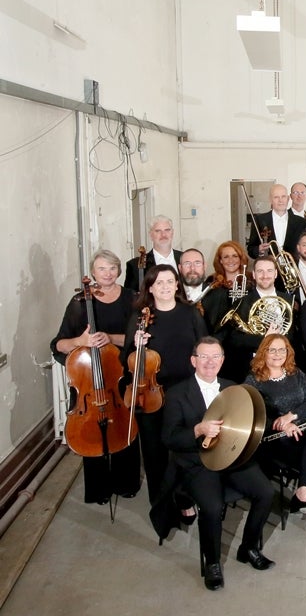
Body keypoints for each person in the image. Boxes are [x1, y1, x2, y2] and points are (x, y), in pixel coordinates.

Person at [161, 337, 275, 590]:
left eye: (216, 357)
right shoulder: (176, 393)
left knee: (266, 493)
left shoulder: (232, 387)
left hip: (232, 460)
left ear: (223, 361)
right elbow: (169, 438)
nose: (210, 362)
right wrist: (198, 429)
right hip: (198, 463)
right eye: (204, 357)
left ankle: (248, 548)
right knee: (212, 507)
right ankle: (212, 562)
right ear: (193, 361)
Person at [50, 249, 142, 503]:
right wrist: (80, 341)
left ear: (119, 271)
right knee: (92, 432)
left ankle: (127, 483)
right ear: (93, 273)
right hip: (89, 380)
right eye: (102, 269)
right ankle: (99, 489)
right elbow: (58, 344)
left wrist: (110, 338)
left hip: (118, 375)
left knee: (124, 427)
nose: (108, 273)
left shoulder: (131, 299)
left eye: (112, 268)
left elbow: (136, 340)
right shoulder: (80, 302)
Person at [123, 264, 207, 504]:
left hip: (186, 392)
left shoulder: (191, 313)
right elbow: (125, 360)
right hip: (150, 394)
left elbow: (205, 348)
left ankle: (187, 499)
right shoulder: (140, 318)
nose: (165, 287)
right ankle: (160, 504)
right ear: (150, 287)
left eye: (170, 281)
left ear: (177, 284)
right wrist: (136, 345)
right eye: (159, 282)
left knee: (188, 447)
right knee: (154, 453)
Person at [244, 334, 306, 540]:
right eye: (272, 350)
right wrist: (280, 424)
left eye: (282, 350)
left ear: (288, 352)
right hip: (273, 440)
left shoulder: (296, 373)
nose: (277, 354)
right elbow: (252, 414)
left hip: (300, 430)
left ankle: (303, 491)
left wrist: (291, 417)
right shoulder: (254, 379)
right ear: (263, 352)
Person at [246, 183, 306, 261]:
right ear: (270, 200)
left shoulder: (301, 222)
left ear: (288, 198)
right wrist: (259, 250)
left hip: (294, 269)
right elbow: (251, 249)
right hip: (269, 269)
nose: (280, 200)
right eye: (276, 197)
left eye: (283, 197)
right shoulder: (259, 220)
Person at [124, 215, 182, 290]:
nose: (163, 235)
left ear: (172, 233)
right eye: (158, 231)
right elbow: (130, 297)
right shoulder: (135, 266)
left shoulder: (184, 258)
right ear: (151, 235)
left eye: (167, 230)